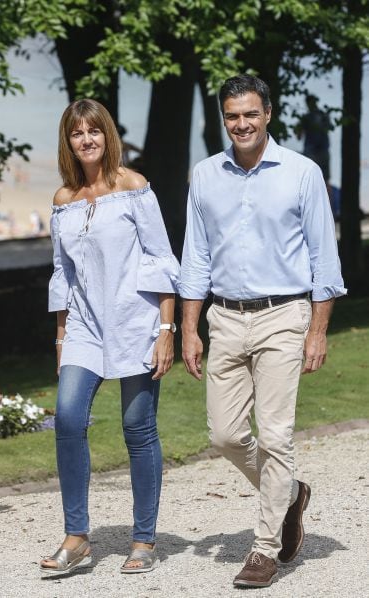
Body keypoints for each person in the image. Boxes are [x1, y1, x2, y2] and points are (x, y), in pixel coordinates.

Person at [179, 74, 346, 589]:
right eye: (233, 116)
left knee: (275, 436)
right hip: (224, 317)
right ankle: (291, 493)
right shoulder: (204, 175)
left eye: (251, 113)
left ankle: (264, 548)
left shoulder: (301, 173)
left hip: (284, 315)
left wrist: (317, 331)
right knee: (225, 435)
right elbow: (195, 257)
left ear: (268, 113)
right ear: (223, 119)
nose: (242, 124)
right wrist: (188, 327)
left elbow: (324, 259)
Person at [41, 99, 179, 577]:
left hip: (135, 324)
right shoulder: (63, 199)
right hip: (83, 328)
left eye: (93, 131)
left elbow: (161, 260)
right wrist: (61, 341)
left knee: (137, 429)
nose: (86, 140)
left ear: (107, 135)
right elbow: (63, 275)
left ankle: (143, 539)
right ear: (69, 141)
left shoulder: (134, 187)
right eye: (77, 133)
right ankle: (77, 536)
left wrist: (167, 330)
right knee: (68, 418)